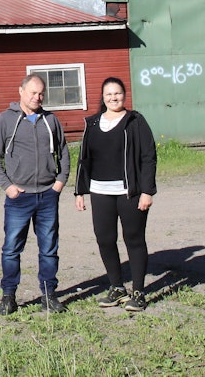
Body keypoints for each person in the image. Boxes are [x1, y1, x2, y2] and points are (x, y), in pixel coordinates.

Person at [0, 73, 71, 315]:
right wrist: (7, 186)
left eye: (41, 93)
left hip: (47, 195)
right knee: (12, 248)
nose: (37, 97)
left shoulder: (51, 120)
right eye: (33, 92)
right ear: (21, 91)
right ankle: (9, 296)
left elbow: (63, 151)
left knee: (49, 249)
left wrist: (60, 181)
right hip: (19, 197)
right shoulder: (5, 120)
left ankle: (49, 295)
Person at [74, 76, 157, 312]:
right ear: (103, 97)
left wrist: (147, 191)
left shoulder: (135, 121)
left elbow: (148, 157)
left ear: (124, 95)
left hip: (129, 192)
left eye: (117, 93)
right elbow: (84, 160)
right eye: (109, 94)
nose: (113, 98)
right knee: (105, 239)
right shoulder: (92, 124)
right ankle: (117, 287)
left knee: (134, 239)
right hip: (100, 191)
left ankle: (138, 292)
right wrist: (80, 191)